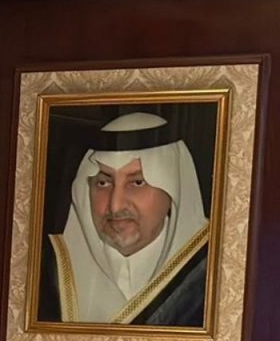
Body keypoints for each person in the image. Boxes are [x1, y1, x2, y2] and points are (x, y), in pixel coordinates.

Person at [40, 112, 209, 326]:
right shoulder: (44, 270)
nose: (115, 206)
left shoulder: (211, 272)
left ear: (173, 189)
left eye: (137, 183)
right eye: (103, 183)